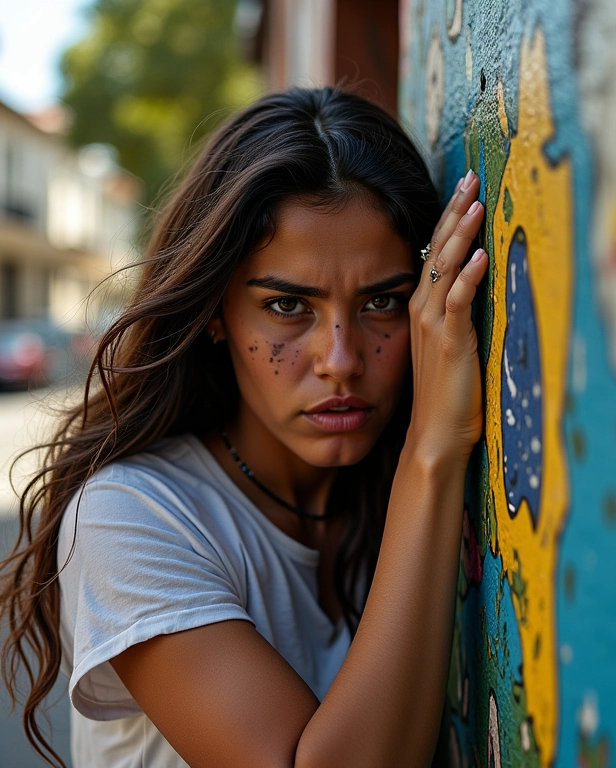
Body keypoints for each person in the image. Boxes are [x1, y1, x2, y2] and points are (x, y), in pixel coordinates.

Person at [0, 87, 487, 767]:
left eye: (383, 301)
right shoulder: (131, 516)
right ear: (216, 313)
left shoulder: (375, 499)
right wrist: (433, 450)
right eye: (288, 305)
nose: (340, 362)